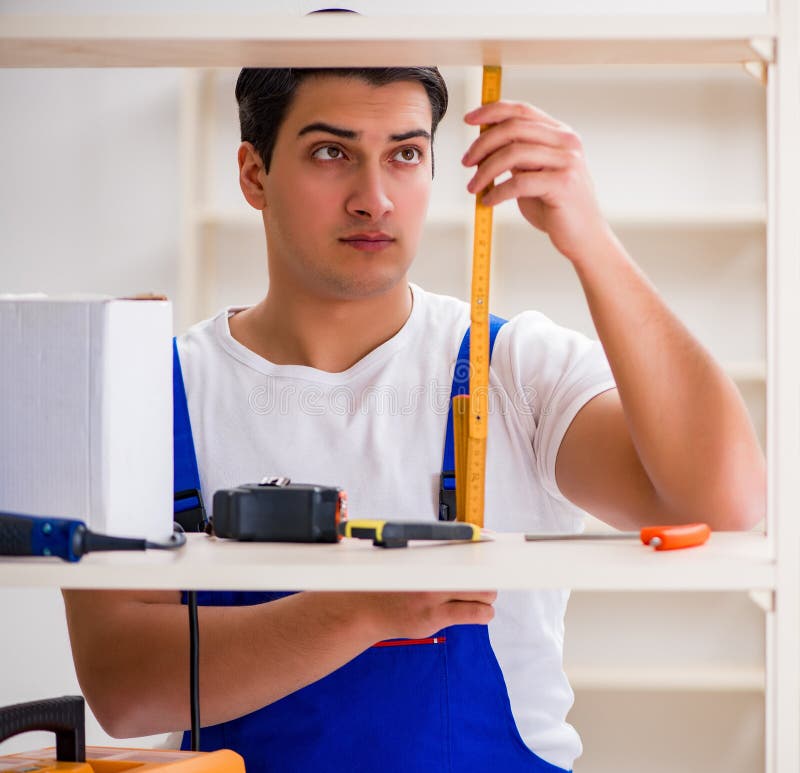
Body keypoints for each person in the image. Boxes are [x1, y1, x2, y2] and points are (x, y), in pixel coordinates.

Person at [62, 65, 765, 772]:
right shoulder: (154, 389)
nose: (374, 200)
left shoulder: (512, 369)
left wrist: (590, 239)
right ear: (254, 175)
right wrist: (363, 610)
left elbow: (726, 502)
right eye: (331, 152)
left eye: (405, 154)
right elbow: (125, 689)